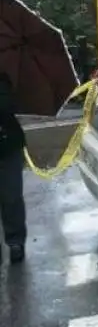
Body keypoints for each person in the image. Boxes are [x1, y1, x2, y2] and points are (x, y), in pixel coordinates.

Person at [0, 72, 26, 264]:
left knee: (11, 197)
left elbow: (9, 105)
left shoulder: (3, 78)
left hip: (8, 146)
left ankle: (15, 241)